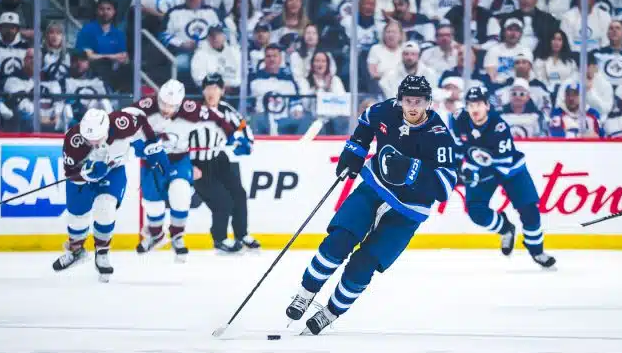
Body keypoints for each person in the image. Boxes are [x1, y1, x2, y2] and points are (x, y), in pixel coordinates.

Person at [284, 75, 458, 335]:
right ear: (399, 100)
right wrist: (353, 152)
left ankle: (330, 312)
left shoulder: (439, 135)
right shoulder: (385, 111)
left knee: (363, 265)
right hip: (374, 188)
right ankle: (305, 293)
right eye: (408, 101)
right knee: (338, 240)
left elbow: (445, 187)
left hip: (408, 211)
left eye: (419, 101)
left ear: (428, 103)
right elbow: (366, 123)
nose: (413, 107)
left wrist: (411, 170)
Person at [127, 80, 238, 261]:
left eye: (171, 106)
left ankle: (177, 235)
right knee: (152, 204)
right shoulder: (145, 106)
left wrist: (232, 134)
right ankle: (156, 234)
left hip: (178, 160)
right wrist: (138, 146)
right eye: (163, 103)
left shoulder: (190, 109)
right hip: (151, 163)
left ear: (179, 104)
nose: (166, 109)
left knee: (181, 192)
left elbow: (216, 119)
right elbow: (123, 122)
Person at [52, 109, 164, 283]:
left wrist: (150, 143)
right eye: (89, 139)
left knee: (106, 208)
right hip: (83, 178)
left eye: (98, 138)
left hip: (113, 173)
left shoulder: (121, 123)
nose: (94, 143)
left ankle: (102, 252)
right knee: (77, 217)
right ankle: (76, 251)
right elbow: (70, 173)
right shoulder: (73, 139)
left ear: (107, 129)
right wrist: (88, 173)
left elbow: (142, 121)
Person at [451, 85, 557, 268]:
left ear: (487, 105)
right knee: (476, 212)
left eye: (479, 104)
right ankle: (506, 229)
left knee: (529, 211)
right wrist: (458, 169)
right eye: (471, 105)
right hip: (479, 167)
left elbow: (503, 163)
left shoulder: (499, 127)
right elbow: (457, 146)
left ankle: (537, 251)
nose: (474, 109)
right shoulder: (459, 119)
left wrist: (475, 175)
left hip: (511, 170)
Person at [189, 73, 258, 253]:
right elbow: (179, 137)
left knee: (239, 194)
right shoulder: (192, 111)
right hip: (197, 162)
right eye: (208, 88)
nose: (211, 92)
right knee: (222, 200)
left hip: (219, 159)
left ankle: (241, 234)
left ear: (222, 91)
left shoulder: (226, 110)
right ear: (203, 91)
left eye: (215, 88)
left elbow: (243, 128)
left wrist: (247, 143)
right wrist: (187, 165)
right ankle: (219, 238)